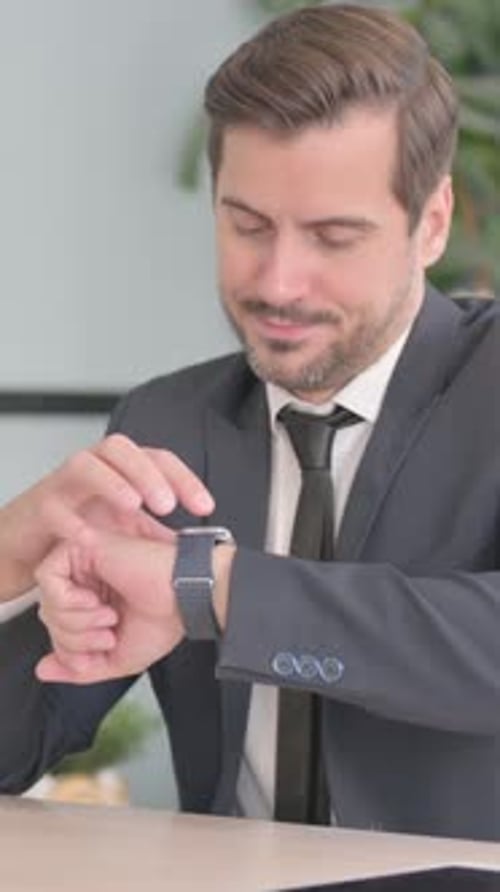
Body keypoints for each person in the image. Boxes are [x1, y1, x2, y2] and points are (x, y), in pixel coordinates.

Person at [1, 2, 500, 840]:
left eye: (334, 236)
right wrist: (10, 558)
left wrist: (213, 589)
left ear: (433, 224)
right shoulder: (166, 421)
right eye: (247, 225)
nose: (279, 281)